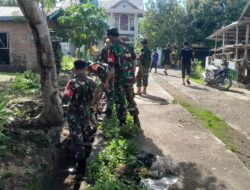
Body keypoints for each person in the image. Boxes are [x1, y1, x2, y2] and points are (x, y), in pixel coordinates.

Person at [63, 60, 97, 174]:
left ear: (75, 68)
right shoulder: (92, 82)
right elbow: (95, 98)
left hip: (74, 113)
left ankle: (80, 164)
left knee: (77, 137)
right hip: (86, 112)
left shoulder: (71, 82)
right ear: (85, 68)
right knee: (86, 133)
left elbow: (66, 98)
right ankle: (87, 158)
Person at [105, 28, 139, 126]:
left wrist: (107, 81)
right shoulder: (129, 45)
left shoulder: (112, 48)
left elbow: (110, 68)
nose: (109, 39)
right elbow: (134, 62)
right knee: (130, 98)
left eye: (108, 37)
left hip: (119, 80)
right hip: (129, 79)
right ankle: (136, 119)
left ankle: (122, 124)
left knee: (121, 101)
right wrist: (133, 75)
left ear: (111, 36)